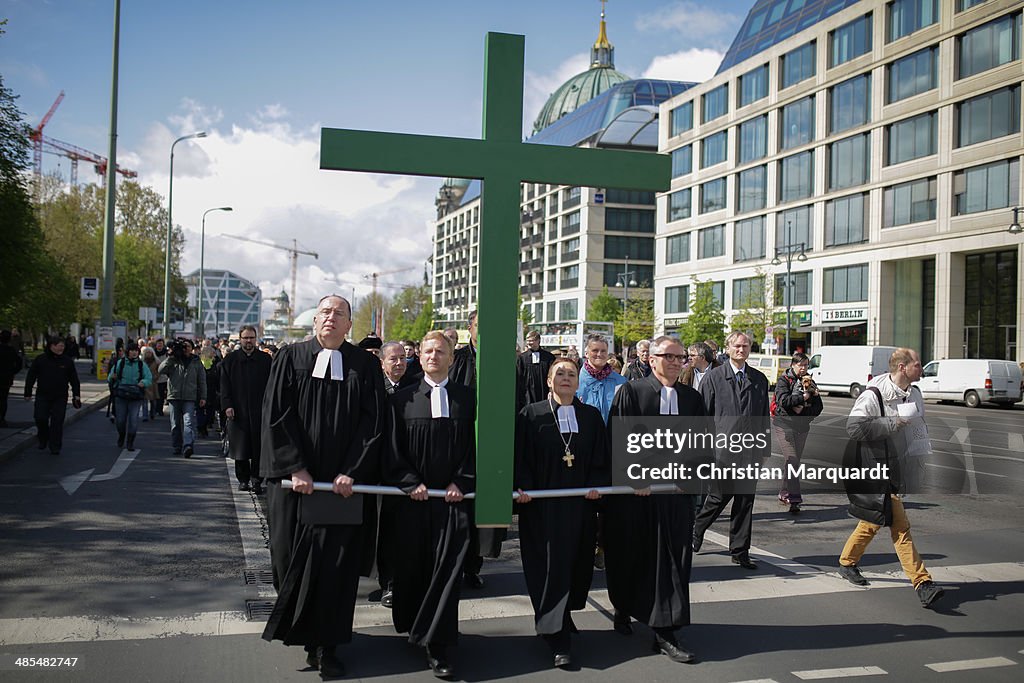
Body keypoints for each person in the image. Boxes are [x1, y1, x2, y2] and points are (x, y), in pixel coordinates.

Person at [260, 294, 386, 679]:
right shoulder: (291, 357)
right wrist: (296, 467)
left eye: (340, 314)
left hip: (341, 487)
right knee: (288, 559)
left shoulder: (364, 365)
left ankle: (327, 644)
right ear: (315, 321)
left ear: (350, 325)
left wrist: (352, 470)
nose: (332, 319)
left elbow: (373, 422)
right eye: (326, 313)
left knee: (336, 566)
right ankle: (302, 630)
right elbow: (276, 413)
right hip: (295, 483)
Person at [604, 335, 703, 664]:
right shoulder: (632, 392)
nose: (676, 362)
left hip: (675, 497)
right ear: (652, 359)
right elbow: (619, 439)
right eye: (669, 356)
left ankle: (666, 631)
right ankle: (624, 606)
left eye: (681, 357)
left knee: (673, 560)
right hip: (639, 497)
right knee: (633, 555)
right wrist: (636, 477)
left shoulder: (691, 398)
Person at [385, 331, 474, 678]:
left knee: (447, 571)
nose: (434, 356)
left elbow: (474, 447)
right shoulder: (402, 400)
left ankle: (439, 645)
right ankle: (416, 627)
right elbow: (392, 449)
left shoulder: (467, 399)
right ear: (417, 358)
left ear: (452, 358)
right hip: (413, 502)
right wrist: (410, 482)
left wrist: (461, 481)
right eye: (427, 352)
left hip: (452, 502)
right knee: (413, 568)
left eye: (441, 351)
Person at [516, 358, 608, 668]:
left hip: (579, 506)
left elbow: (600, 456)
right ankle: (556, 636)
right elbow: (522, 457)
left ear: (578, 381)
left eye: (571, 374)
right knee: (548, 568)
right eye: (559, 374)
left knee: (575, 566)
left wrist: (597, 486)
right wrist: (523, 487)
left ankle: (561, 616)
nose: (565, 378)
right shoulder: (531, 415)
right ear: (548, 381)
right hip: (542, 507)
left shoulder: (591, 416)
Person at [838, 348, 945, 609]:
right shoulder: (874, 394)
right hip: (876, 466)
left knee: (873, 521)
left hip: (900, 466)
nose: (922, 369)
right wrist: (892, 423)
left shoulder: (916, 393)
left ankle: (847, 562)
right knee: (900, 526)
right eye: (918, 365)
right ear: (902, 368)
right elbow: (853, 427)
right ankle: (922, 583)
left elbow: (919, 428)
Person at [692, 332, 770, 571]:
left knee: (745, 502)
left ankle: (740, 550)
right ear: (727, 349)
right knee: (717, 497)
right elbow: (703, 416)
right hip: (723, 451)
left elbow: (764, 415)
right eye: (737, 346)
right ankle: (697, 529)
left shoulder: (758, 379)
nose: (741, 349)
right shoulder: (715, 377)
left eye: (745, 346)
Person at [220, 325, 272, 493]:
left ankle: (257, 480)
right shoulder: (230, 360)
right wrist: (227, 405)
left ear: (255, 339)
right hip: (238, 409)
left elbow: (272, 386)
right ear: (240, 339)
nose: (248, 341)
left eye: (251, 338)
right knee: (240, 447)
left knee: (258, 447)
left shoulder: (265, 360)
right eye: (245, 338)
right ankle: (243, 479)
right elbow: (224, 385)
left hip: (260, 410)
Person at [773, 352, 823, 514]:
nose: (803, 369)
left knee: (794, 462)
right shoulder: (784, 381)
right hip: (784, 425)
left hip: (802, 427)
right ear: (793, 365)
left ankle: (784, 492)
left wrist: (806, 414)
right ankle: (794, 499)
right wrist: (804, 397)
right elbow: (783, 401)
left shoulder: (810, 381)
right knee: (792, 460)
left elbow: (819, 406)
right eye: (801, 365)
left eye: (806, 365)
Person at [24, 335, 81, 455]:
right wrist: (27, 392)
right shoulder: (41, 359)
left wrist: (76, 395)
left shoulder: (67, 361)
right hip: (43, 395)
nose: (62, 348)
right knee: (40, 418)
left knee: (57, 421)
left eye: (63, 346)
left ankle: (55, 446)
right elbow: (31, 377)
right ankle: (43, 437)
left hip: (60, 396)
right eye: (59, 346)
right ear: (52, 346)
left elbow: (74, 379)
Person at [158, 339, 207, 458]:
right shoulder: (174, 359)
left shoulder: (196, 361)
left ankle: (188, 445)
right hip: (174, 396)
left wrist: (203, 396)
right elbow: (161, 370)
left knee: (188, 422)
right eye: (184, 346)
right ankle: (177, 446)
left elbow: (202, 380)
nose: (186, 348)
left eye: (189, 346)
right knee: (175, 424)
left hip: (189, 396)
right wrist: (171, 356)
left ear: (192, 348)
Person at [107, 341, 152, 451]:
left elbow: (149, 378)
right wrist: (112, 377)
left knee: (133, 420)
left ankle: (130, 442)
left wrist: (144, 382)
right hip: (121, 395)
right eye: (132, 351)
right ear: (127, 352)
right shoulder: (120, 363)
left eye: (136, 351)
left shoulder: (142, 364)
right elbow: (110, 377)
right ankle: (121, 435)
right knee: (120, 420)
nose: (134, 353)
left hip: (135, 396)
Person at [576, 334, 627, 423]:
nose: (599, 354)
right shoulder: (575, 382)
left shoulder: (620, 382)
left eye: (603, 351)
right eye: (595, 350)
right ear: (586, 353)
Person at [515, 330, 555, 412]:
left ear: (538, 341)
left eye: (531, 340)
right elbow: (519, 378)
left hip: (544, 392)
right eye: (527, 340)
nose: (529, 343)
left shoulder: (549, 357)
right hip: (527, 395)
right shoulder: (522, 358)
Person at [0, 330, 24, 428]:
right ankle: (1, 418)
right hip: (6, 378)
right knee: (3, 398)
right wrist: (12, 372)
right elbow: (19, 363)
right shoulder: (11, 350)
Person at [141, 347, 160, 421]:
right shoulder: (142, 362)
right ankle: (145, 416)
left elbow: (159, 371)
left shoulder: (156, 362)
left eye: (150, 352)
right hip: (145, 382)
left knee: (153, 400)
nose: (148, 354)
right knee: (144, 400)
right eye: (147, 353)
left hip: (153, 383)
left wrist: (156, 377)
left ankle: (152, 413)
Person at [152, 338, 168, 416]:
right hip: (154, 377)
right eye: (158, 344)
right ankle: (154, 409)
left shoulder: (166, 353)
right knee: (155, 395)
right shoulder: (152, 353)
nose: (159, 345)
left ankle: (160, 409)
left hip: (163, 378)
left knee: (161, 395)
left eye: (161, 344)